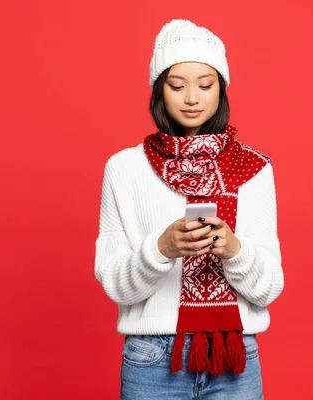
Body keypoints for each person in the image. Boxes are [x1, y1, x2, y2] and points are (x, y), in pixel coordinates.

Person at [94, 19, 284, 400]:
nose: (192, 98)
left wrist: (234, 250)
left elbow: (269, 289)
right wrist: (161, 249)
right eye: (178, 86)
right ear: (159, 91)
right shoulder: (125, 168)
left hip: (234, 359)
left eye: (206, 84)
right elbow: (113, 282)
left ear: (222, 90)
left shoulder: (253, 168)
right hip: (152, 359)